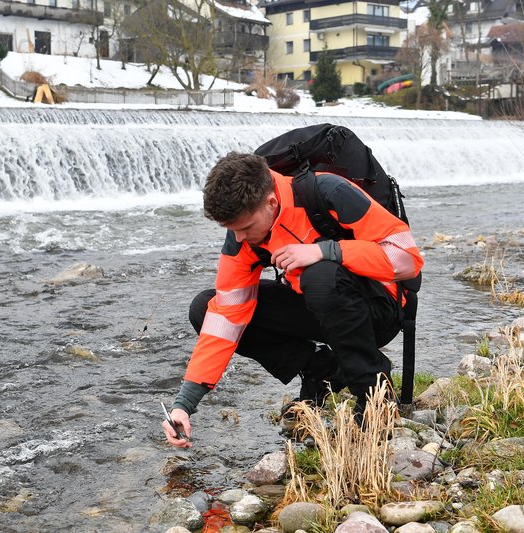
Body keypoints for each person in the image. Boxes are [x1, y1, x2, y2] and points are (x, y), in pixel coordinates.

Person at [162, 152, 423, 448]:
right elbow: (226, 318)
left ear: (271, 203)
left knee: (320, 275)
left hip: (379, 309)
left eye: (246, 228)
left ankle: (373, 394)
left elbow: (407, 259)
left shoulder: (329, 192)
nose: (239, 237)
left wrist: (328, 251)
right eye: (231, 230)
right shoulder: (242, 234)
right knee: (205, 308)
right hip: (321, 307)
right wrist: (184, 404)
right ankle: (321, 371)